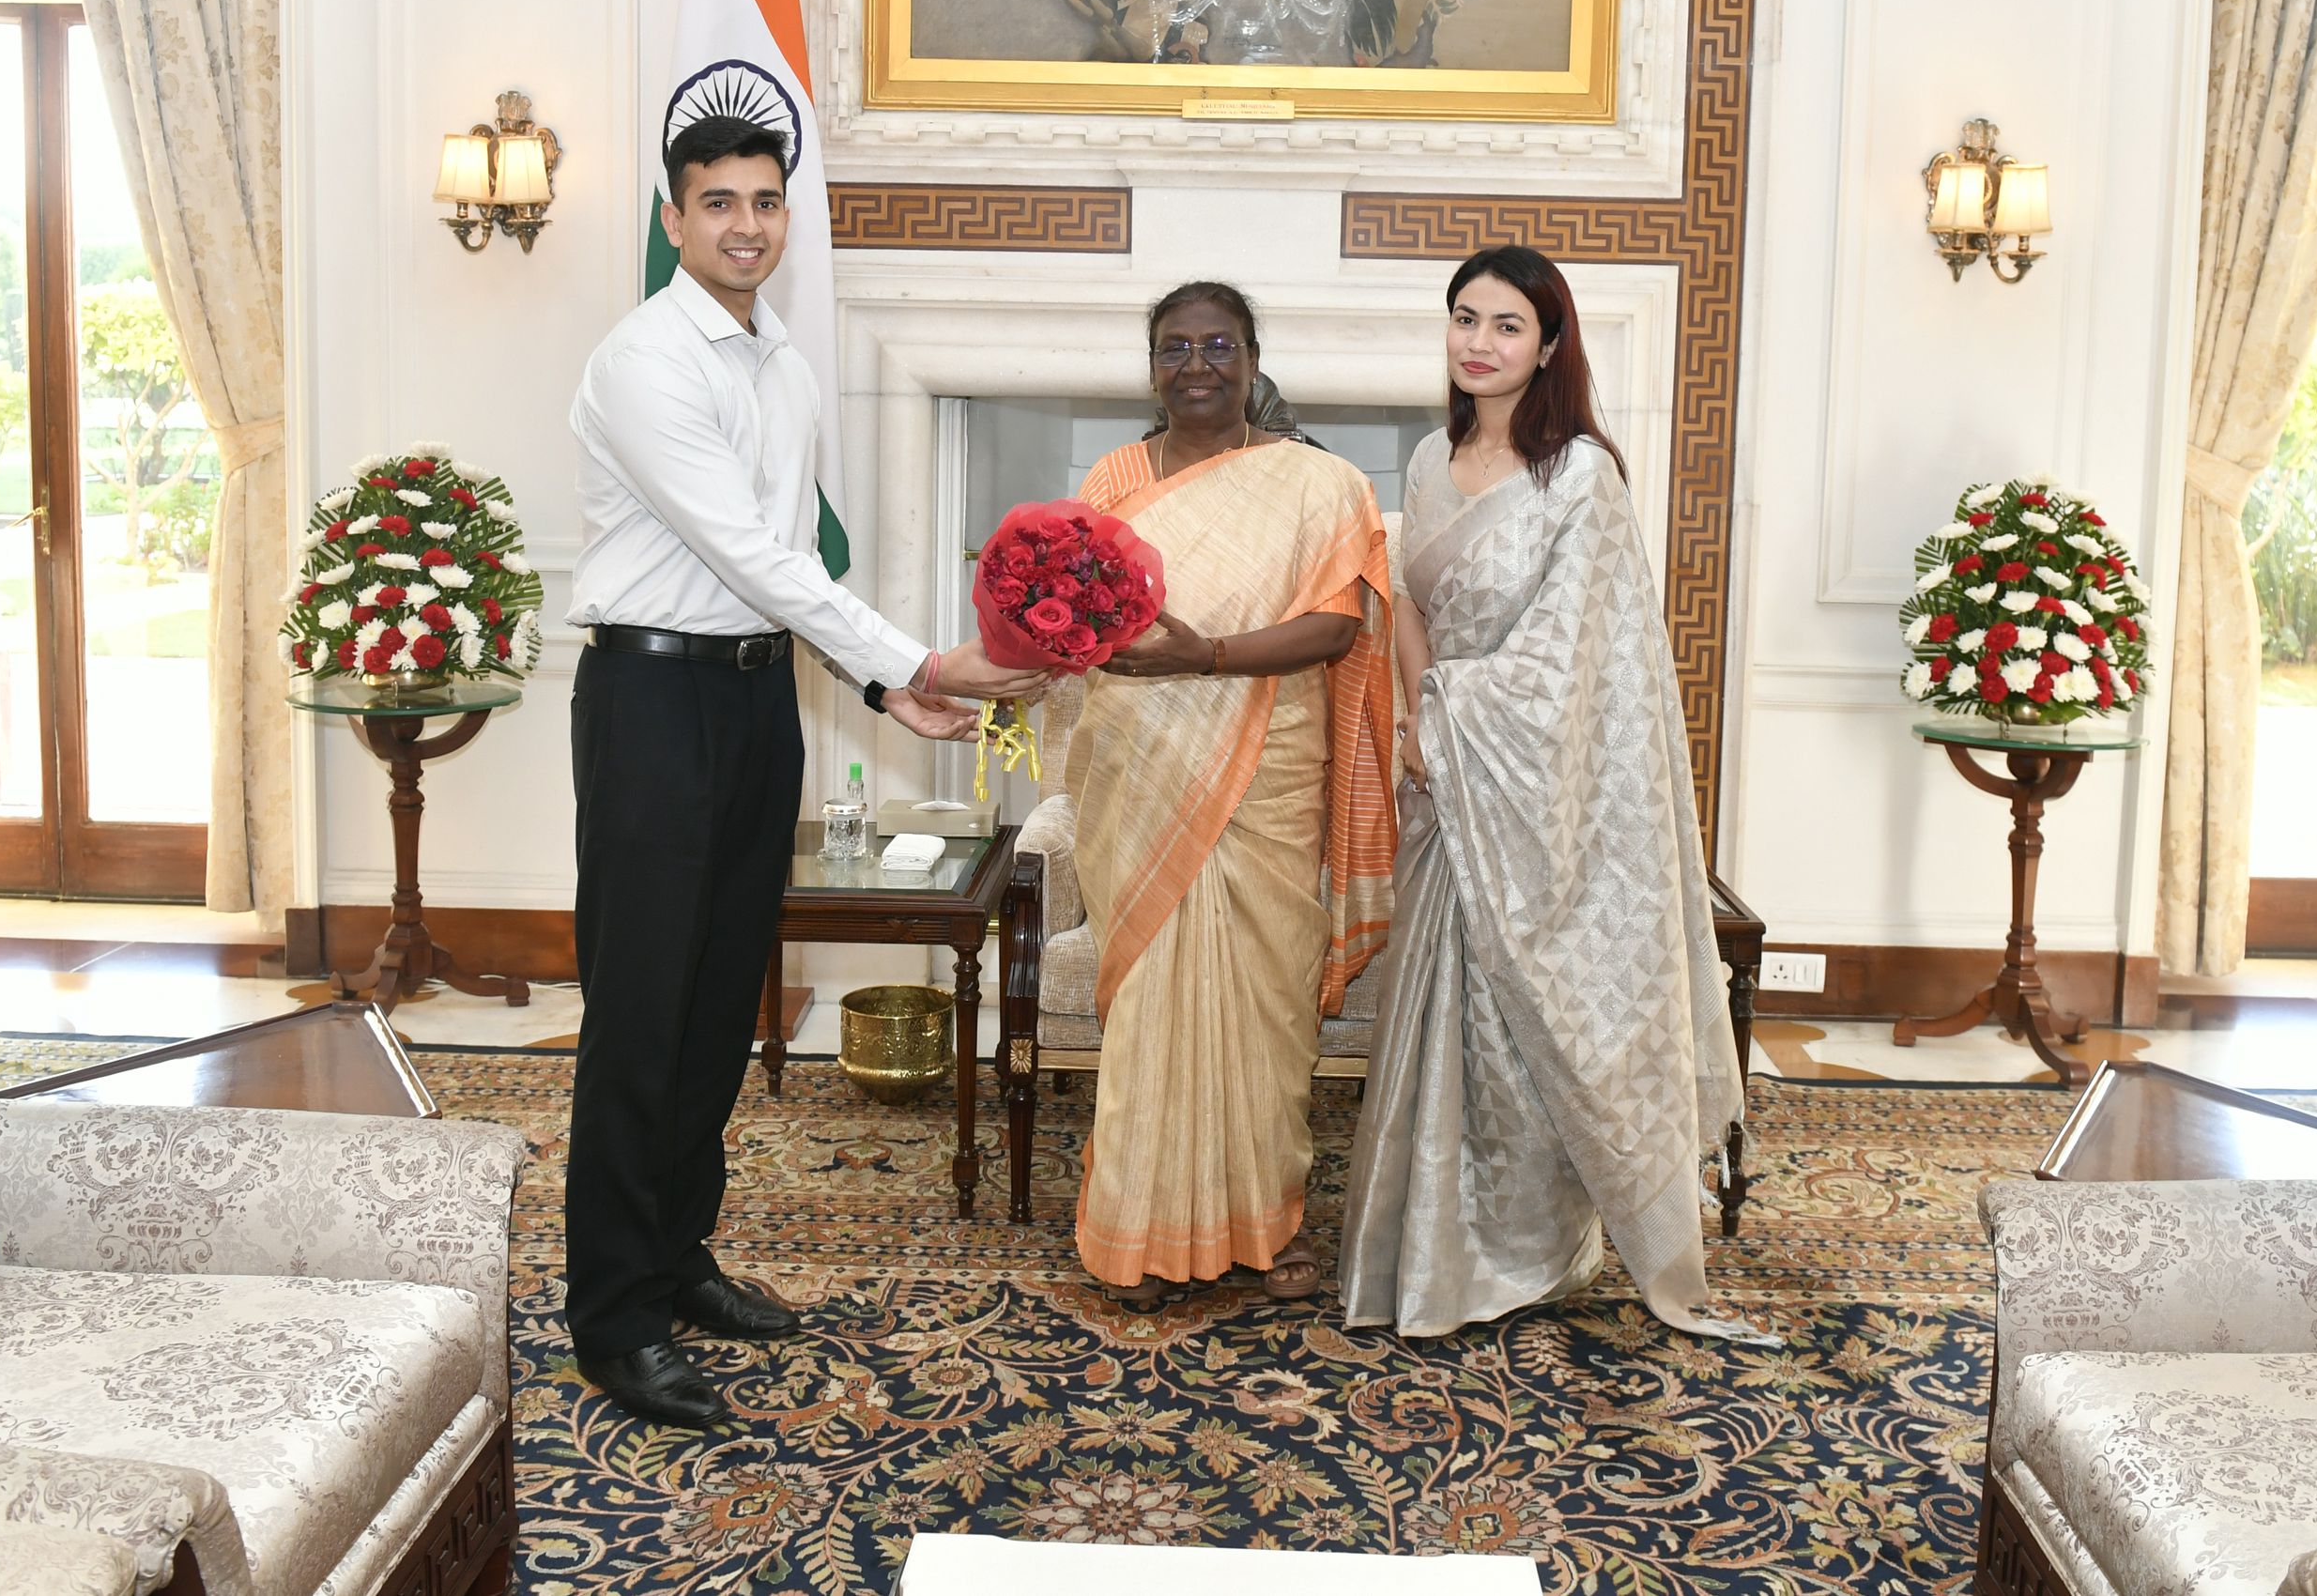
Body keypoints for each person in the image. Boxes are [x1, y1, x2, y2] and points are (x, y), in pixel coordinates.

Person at [563, 115, 1049, 1429]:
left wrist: (879, 683)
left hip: (751, 694)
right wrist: (917, 661)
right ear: (673, 219)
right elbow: (744, 551)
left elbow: (788, 572)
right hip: (651, 701)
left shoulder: (782, 361)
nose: (746, 224)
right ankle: (613, 1315)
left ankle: (678, 1256)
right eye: (718, 201)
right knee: (642, 1010)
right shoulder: (644, 361)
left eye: (766, 201)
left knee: (724, 997)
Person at [1339, 245, 1754, 1339]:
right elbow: (1409, 606)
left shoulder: (1579, 477)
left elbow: (1578, 658)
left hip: (1532, 782)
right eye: (1464, 318)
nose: (1478, 342)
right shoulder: (1428, 459)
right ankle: (1433, 1251)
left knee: (1536, 1015)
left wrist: (1449, 718)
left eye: (1506, 325)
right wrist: (1415, 720)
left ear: (1549, 344)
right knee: (1446, 1013)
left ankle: (1525, 1249)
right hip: (1445, 765)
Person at [1065, 282, 1395, 1310]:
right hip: (1140, 766)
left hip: (1269, 768)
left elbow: (1337, 628)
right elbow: (1072, 617)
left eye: (1218, 346)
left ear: (1252, 360)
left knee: (1264, 1010)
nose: (1197, 365)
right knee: (1151, 1010)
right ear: (1151, 367)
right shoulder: (1113, 480)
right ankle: (1137, 1238)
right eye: (1175, 348)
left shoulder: (1319, 484)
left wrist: (1203, 656)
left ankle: (1266, 1227)